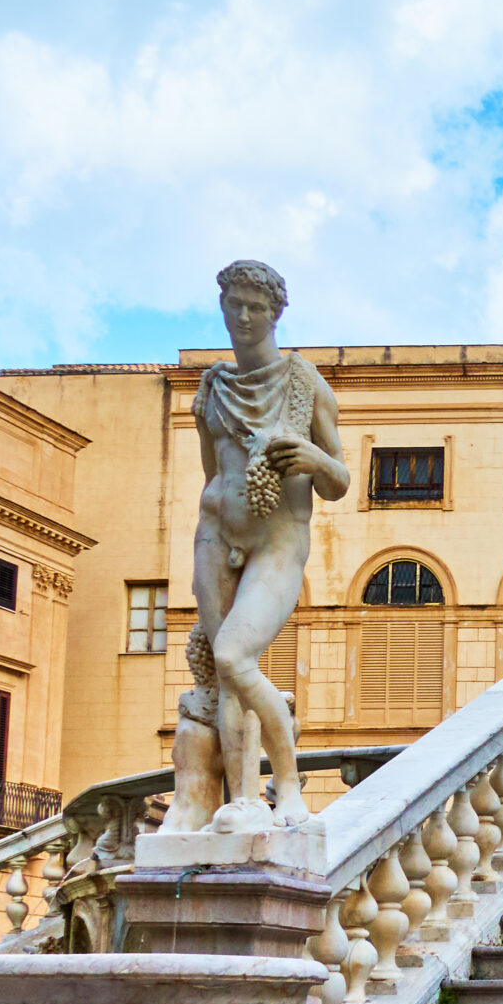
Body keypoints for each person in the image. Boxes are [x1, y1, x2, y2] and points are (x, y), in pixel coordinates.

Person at [168, 260, 348, 836]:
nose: (243, 317)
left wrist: (315, 459)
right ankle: (242, 801)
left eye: (255, 307)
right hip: (216, 535)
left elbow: (339, 480)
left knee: (233, 658)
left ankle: (289, 786)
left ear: (276, 314)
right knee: (225, 678)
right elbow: (211, 469)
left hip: (278, 541)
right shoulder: (212, 386)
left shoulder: (305, 383)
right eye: (234, 305)